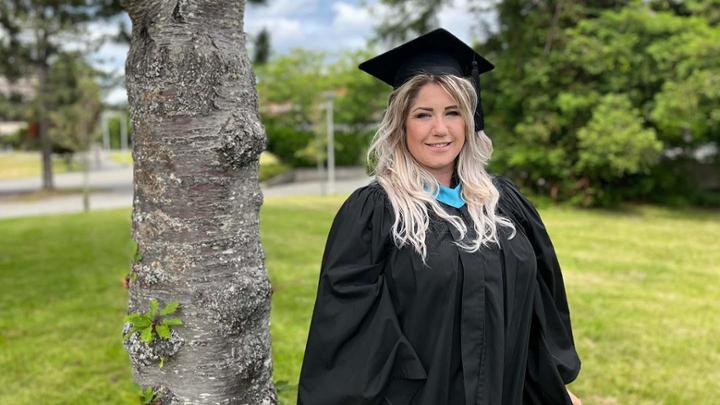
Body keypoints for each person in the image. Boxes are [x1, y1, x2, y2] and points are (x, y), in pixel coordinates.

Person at [297, 28, 582, 405]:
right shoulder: (376, 214)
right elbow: (349, 335)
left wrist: (553, 387)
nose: (440, 129)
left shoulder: (504, 205)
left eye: (452, 113)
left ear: (469, 121)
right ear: (400, 124)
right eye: (423, 114)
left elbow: (539, 310)